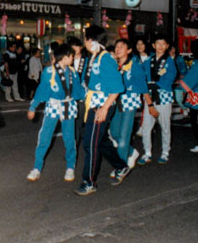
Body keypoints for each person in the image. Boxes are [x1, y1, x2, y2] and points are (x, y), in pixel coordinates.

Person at [75, 25, 130, 196]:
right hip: (93, 104)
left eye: (86, 38)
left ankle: (89, 181)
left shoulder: (105, 59)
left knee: (90, 143)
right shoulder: (93, 58)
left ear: (91, 40)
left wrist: (105, 108)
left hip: (101, 105)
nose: (85, 42)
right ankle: (121, 166)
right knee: (100, 140)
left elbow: (117, 88)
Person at [25, 43, 83, 182]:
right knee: (44, 138)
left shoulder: (73, 72)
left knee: (69, 139)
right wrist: (32, 107)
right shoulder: (49, 71)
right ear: (66, 57)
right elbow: (41, 90)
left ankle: (70, 167)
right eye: (72, 56)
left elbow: (79, 91)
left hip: (68, 106)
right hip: (53, 106)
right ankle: (37, 168)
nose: (73, 59)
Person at [138, 34, 177, 165]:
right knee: (146, 126)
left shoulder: (170, 62)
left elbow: (170, 77)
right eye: (158, 44)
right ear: (154, 45)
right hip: (149, 97)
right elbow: (143, 77)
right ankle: (147, 152)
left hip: (163, 97)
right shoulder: (148, 61)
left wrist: (152, 84)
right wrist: (147, 86)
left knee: (165, 126)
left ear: (167, 46)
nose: (160, 46)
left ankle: (165, 152)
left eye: (163, 44)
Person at [109, 38, 147, 170]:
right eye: (116, 46)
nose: (118, 49)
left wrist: (148, 103)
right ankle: (132, 152)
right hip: (116, 102)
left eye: (121, 46)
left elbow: (142, 85)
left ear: (129, 50)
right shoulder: (114, 65)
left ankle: (120, 167)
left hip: (129, 102)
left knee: (124, 136)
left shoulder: (134, 64)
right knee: (114, 133)